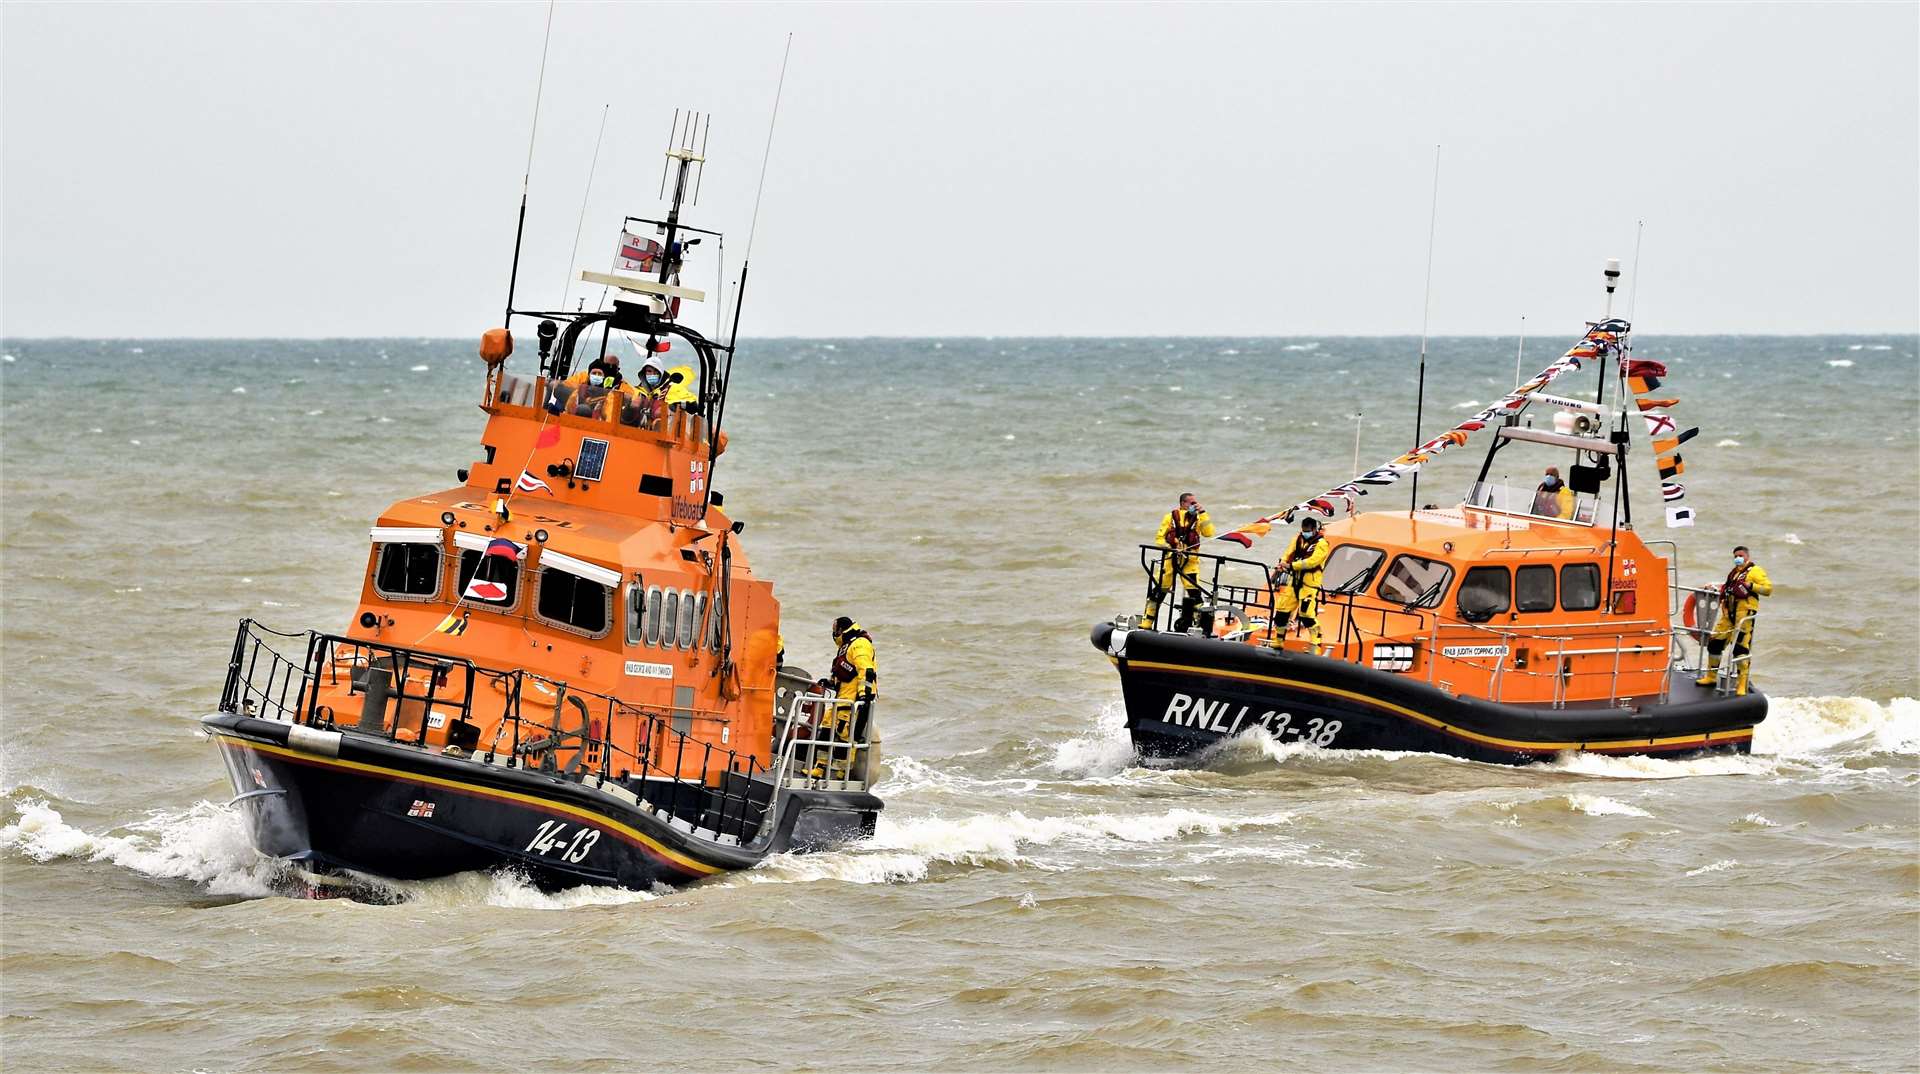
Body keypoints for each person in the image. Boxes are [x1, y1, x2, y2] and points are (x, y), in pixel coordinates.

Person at [1696, 545, 1772, 695]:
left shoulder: (1755, 571)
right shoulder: (1734, 573)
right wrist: (1714, 587)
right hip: (1728, 615)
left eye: (1740, 555)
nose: (1738, 558)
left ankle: (1741, 684)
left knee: (1740, 650)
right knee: (1715, 642)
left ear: (1747, 556)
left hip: (1744, 616)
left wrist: (1750, 586)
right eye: (1735, 556)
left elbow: (1768, 589)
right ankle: (1711, 676)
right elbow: (1728, 588)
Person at [811, 617, 877, 779]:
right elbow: (845, 673)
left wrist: (864, 696)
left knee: (845, 734)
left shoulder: (860, 644)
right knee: (826, 727)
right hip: (841, 699)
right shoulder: (846, 646)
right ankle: (820, 766)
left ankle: (842, 772)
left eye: (835, 629)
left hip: (852, 701)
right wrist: (831, 683)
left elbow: (866, 671)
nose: (834, 633)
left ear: (841, 630)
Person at [1142, 493, 1215, 629]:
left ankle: (1200, 624)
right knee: (1159, 591)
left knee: (1194, 592)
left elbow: (1209, 532)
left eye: (1196, 503)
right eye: (1191, 503)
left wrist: (1203, 513)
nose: (1195, 505)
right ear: (1183, 503)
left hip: (1190, 561)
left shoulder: (1199, 519)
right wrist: (1172, 548)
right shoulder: (1169, 518)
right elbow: (1159, 539)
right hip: (1170, 560)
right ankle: (1147, 621)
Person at [1281, 516, 1332, 654]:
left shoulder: (1322, 544)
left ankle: (1316, 643)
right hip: (1294, 581)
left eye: (1307, 530)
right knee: (1282, 610)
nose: (1305, 532)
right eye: (1303, 530)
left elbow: (1312, 562)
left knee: (1306, 614)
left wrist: (1291, 565)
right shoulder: (1298, 539)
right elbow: (1289, 553)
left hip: (1309, 584)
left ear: (1315, 529)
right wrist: (1282, 563)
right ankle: (1278, 641)